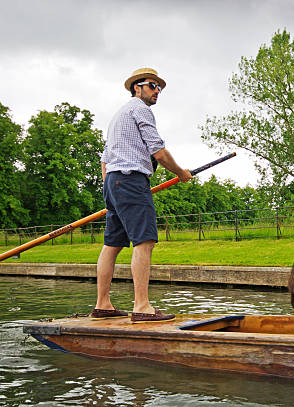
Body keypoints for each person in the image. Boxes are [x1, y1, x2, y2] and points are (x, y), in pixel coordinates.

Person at [90, 67, 192, 323]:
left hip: (113, 182)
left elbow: (104, 160)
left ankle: (103, 305)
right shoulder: (139, 109)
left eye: (160, 88)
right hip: (131, 180)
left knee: (111, 245)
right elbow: (158, 151)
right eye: (152, 85)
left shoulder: (118, 116)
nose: (157, 91)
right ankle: (142, 307)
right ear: (137, 87)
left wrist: (113, 188)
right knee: (144, 242)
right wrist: (181, 173)